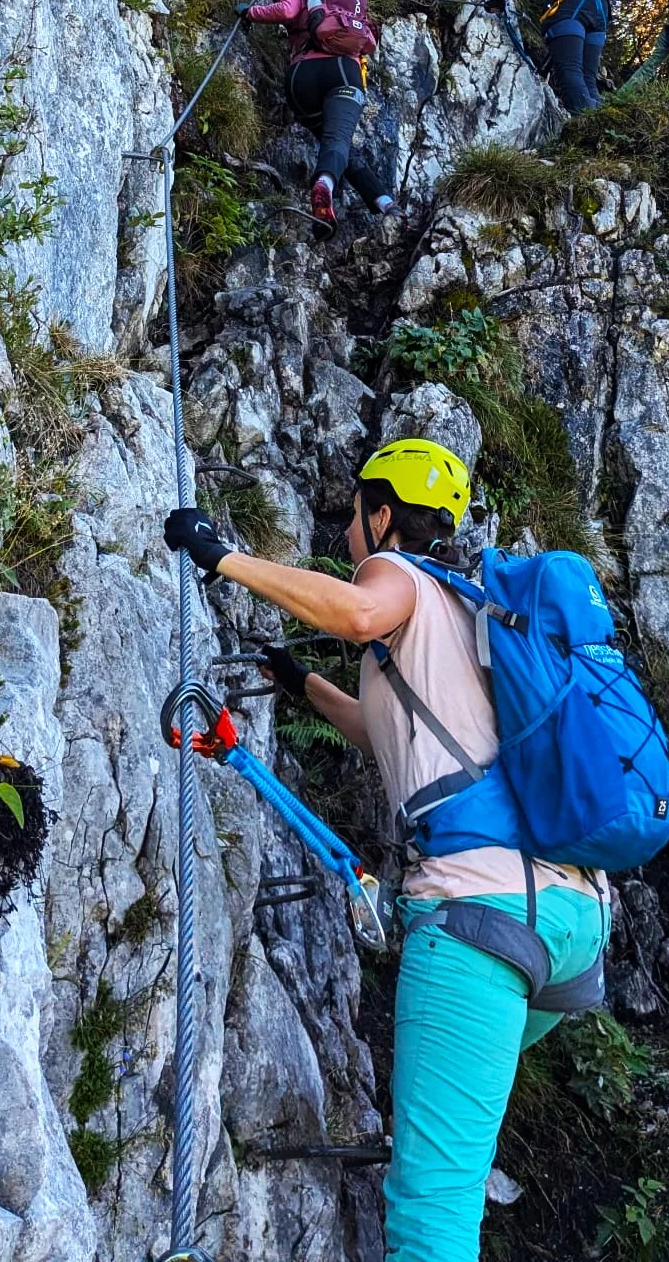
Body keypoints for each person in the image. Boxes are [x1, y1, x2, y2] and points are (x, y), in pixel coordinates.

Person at [166, 440, 610, 1262]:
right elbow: (390, 734)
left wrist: (224, 557)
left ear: (381, 514)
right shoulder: (472, 611)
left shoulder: (401, 579)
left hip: (481, 918)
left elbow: (359, 613)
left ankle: (436, 1167)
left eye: (354, 514)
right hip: (574, 924)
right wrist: (301, 684)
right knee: (444, 1129)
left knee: (430, 1226)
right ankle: (439, 1145)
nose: (348, 532)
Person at [243, 0, 394, 234]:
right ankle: (323, 184)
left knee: (341, 147)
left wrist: (249, 12)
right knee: (338, 141)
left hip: (301, 79)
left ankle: (385, 202)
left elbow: (286, 11)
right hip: (344, 73)